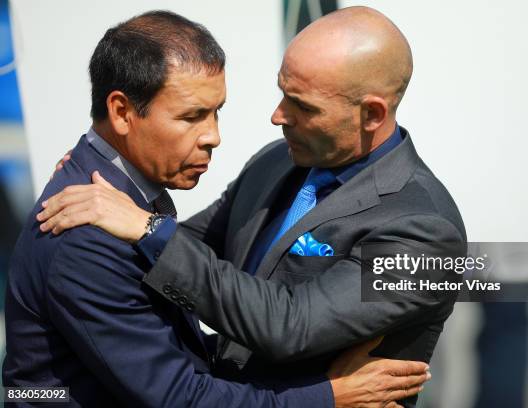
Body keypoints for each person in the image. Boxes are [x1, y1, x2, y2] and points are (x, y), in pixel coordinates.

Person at [39, 6, 466, 407]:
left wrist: (146, 227)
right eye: (283, 93)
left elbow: (290, 327)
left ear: (372, 113)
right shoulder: (279, 159)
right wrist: (104, 184)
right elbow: (193, 248)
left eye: (302, 106)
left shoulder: (425, 229)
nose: (278, 116)